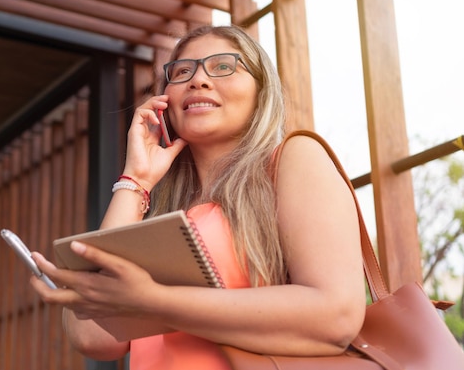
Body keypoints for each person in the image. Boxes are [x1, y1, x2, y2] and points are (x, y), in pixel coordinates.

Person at [30, 25, 366, 369]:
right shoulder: (165, 213)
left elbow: (337, 316)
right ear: (165, 101)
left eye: (223, 66)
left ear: (261, 91)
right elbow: (93, 336)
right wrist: (136, 179)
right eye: (182, 72)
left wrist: (155, 301)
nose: (198, 80)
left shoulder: (293, 160)